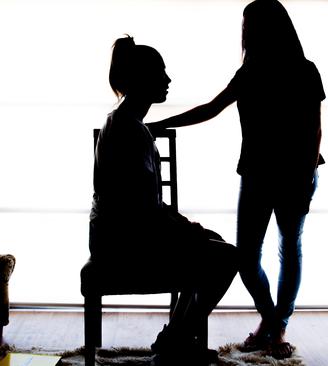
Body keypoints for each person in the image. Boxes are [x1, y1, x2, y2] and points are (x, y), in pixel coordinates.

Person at [147, 0, 325, 359]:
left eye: (247, 26)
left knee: (289, 248)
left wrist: (306, 174)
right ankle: (273, 322)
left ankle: (276, 326)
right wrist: (160, 125)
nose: (243, 33)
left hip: (293, 172)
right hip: (259, 173)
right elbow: (211, 108)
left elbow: (314, 129)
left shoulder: (304, 71)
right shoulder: (251, 72)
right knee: (248, 255)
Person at [90, 35, 238, 365]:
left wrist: (190, 229)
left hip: (119, 233)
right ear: (142, 79)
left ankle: (176, 337)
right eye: (161, 72)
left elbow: (144, 207)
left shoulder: (126, 123)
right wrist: (190, 229)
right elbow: (142, 211)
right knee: (227, 257)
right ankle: (177, 340)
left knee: (209, 247)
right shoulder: (129, 131)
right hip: (124, 242)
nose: (168, 80)